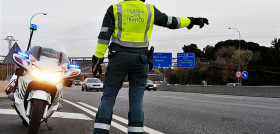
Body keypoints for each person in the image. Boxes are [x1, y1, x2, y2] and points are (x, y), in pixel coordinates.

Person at [92, 0, 209, 133]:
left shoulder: (115, 9)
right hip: (140, 60)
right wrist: (191, 21)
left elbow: (104, 35)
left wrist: (98, 58)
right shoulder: (149, 10)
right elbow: (171, 21)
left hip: (118, 58)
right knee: (136, 101)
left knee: (108, 97)